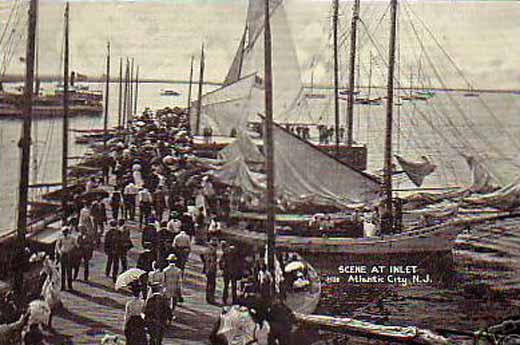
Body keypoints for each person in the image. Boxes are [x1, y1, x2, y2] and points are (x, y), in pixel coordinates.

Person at [55, 226, 77, 291]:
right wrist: (60, 252)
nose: (65, 233)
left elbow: (76, 245)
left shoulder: (72, 238)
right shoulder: (60, 238)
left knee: (69, 271)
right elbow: (57, 246)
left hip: (69, 255)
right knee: (63, 272)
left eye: (66, 232)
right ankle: (62, 286)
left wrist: (71, 249)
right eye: (64, 232)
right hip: (63, 255)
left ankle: (70, 286)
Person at [200, 239, 218, 304]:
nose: (215, 247)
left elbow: (201, 255)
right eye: (214, 245)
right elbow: (212, 262)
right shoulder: (212, 252)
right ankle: (211, 298)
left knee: (209, 284)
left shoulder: (206, 250)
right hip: (211, 270)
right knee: (212, 284)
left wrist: (204, 263)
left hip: (208, 269)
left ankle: (208, 297)